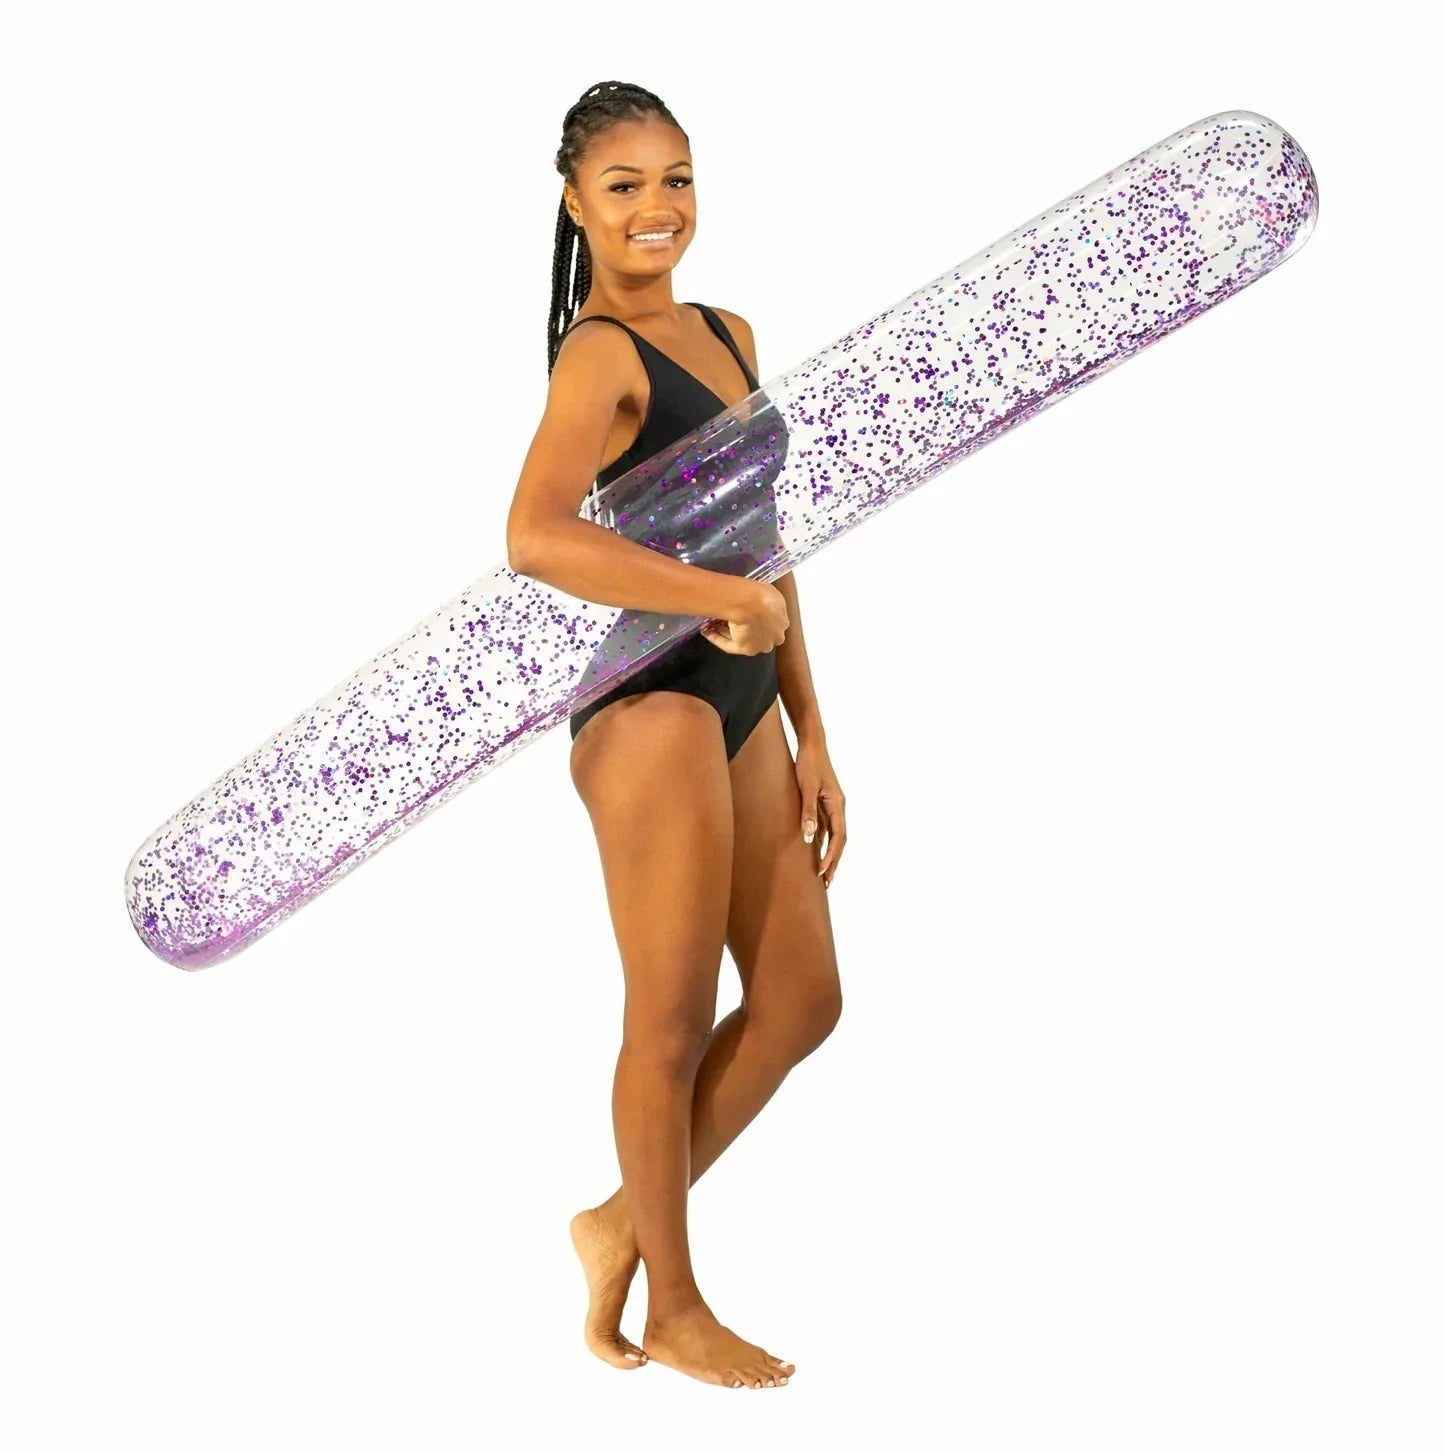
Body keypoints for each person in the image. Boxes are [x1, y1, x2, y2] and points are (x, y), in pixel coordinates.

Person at [506, 80, 848, 1391]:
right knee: (669, 1021)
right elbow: (535, 534)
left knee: (803, 1000)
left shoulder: (727, 331)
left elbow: (764, 537)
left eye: (677, 179)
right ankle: (675, 1304)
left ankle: (614, 1224)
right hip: (649, 700)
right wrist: (719, 600)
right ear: (574, 204)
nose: (657, 208)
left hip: (744, 691)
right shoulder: (598, 356)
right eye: (624, 185)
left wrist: (814, 728)